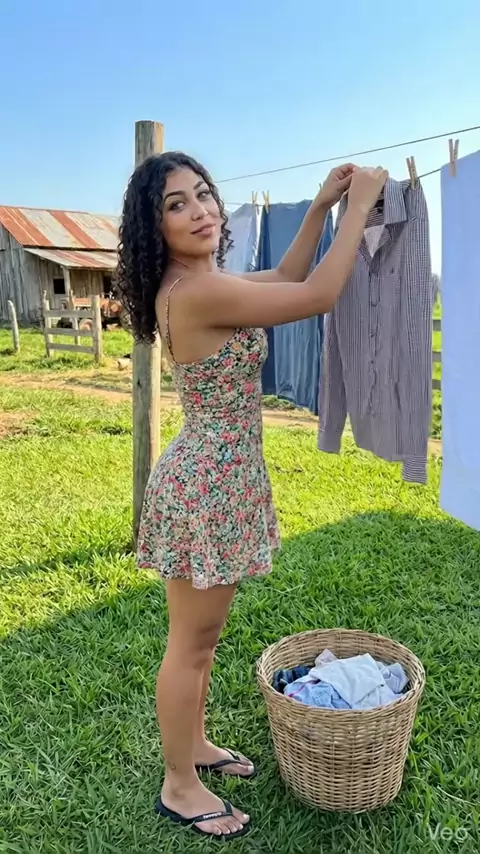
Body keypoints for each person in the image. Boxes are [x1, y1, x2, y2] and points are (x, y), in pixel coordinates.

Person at [116, 152, 387, 840]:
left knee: (201, 641)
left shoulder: (202, 283)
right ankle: (179, 785)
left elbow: (289, 277)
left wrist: (321, 206)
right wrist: (359, 209)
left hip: (215, 476)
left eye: (203, 194)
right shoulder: (198, 292)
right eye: (176, 204)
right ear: (154, 227)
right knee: (190, 644)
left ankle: (195, 746)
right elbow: (317, 295)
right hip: (208, 483)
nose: (200, 210)